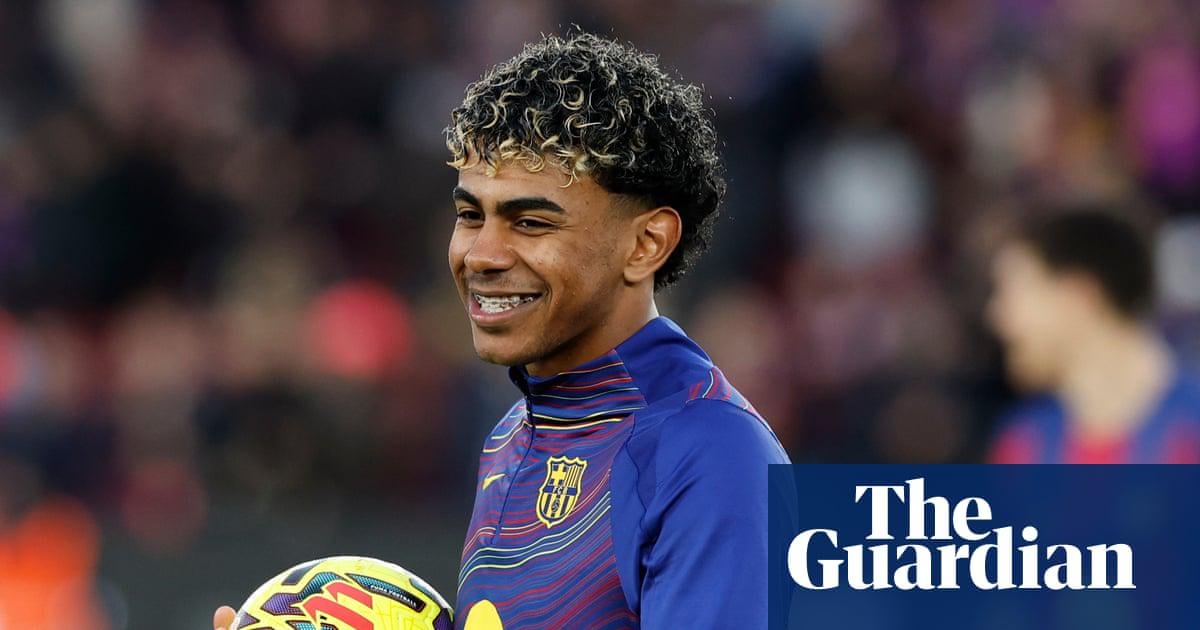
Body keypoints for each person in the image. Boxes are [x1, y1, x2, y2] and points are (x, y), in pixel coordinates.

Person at [215, 32, 788, 630]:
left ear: (646, 243)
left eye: (531, 222)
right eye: (470, 215)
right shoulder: (509, 435)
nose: (481, 255)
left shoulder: (711, 455)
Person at [986, 207, 1200, 464]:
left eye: (1013, 294)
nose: (998, 319)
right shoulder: (1024, 443)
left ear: (1079, 295)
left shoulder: (1190, 431)